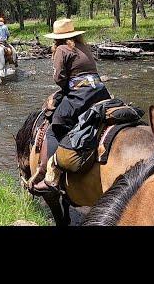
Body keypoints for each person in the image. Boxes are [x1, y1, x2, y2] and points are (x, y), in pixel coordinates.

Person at [28, 18, 111, 193]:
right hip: (101, 92)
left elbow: (59, 78)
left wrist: (65, 86)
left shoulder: (61, 49)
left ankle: (51, 178)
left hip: (81, 95)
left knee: (55, 126)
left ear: (56, 38)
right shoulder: (84, 47)